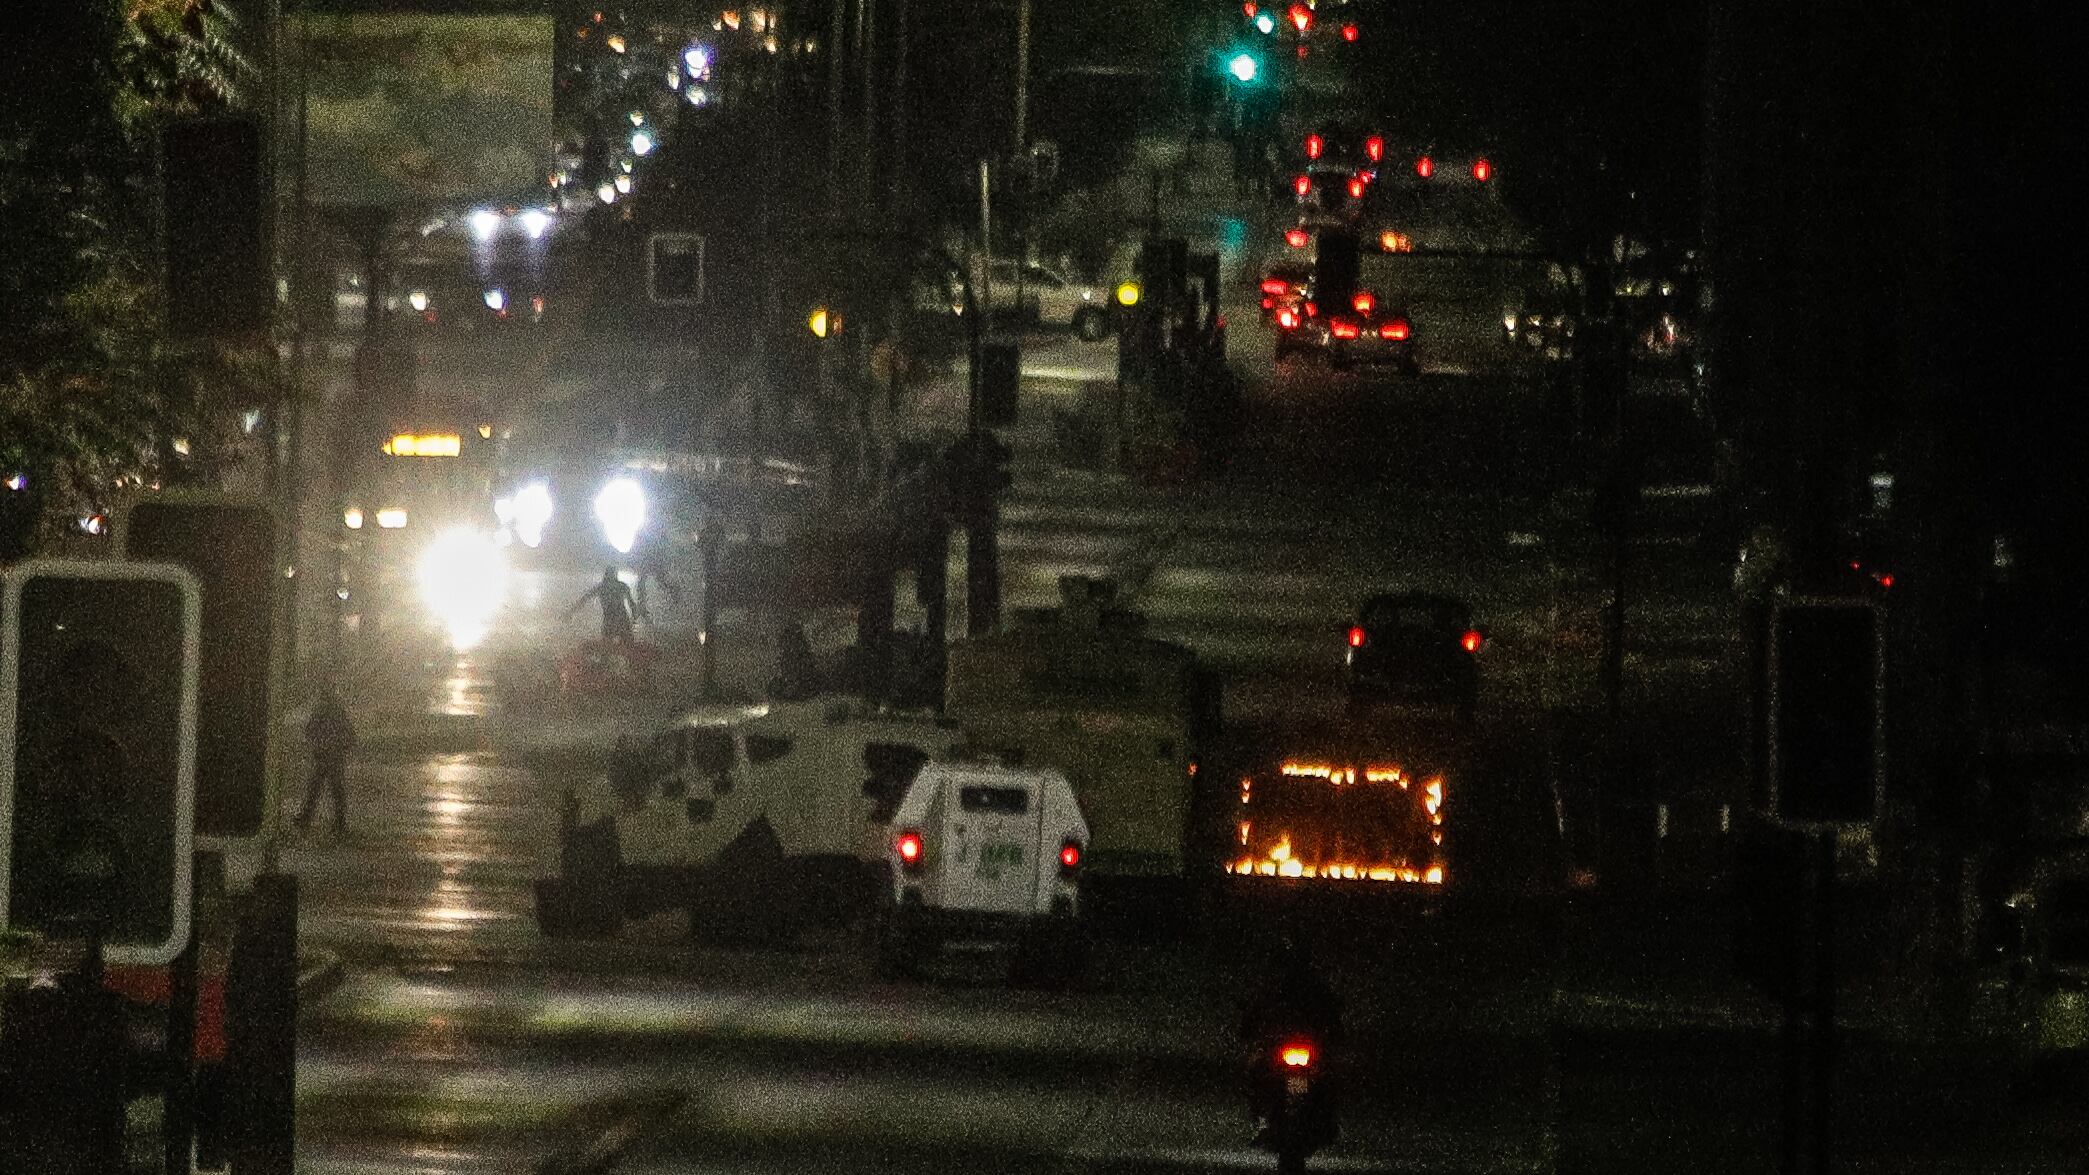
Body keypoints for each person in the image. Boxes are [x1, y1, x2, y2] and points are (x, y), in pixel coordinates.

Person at [1237, 934, 1346, 1142]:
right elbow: (1254, 1012)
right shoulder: (1307, 985)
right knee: (1255, 1072)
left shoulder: (1278, 985)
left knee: (1330, 1076)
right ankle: (1263, 1117)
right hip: (1286, 1049)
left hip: (1303, 1050)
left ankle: (1264, 1118)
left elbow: (1333, 1013)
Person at [297, 685, 356, 837]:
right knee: (336, 790)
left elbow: (310, 730)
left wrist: (316, 743)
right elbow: (348, 732)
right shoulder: (338, 710)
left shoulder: (321, 710)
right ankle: (340, 822)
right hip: (334, 756)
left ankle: (306, 818)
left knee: (315, 788)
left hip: (323, 755)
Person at [568, 565, 639, 644]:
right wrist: (634, 617)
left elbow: (585, 599)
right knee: (627, 647)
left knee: (607, 647)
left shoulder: (602, 587)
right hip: (621, 619)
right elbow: (632, 604)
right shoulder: (621, 586)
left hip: (611, 620)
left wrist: (571, 611)